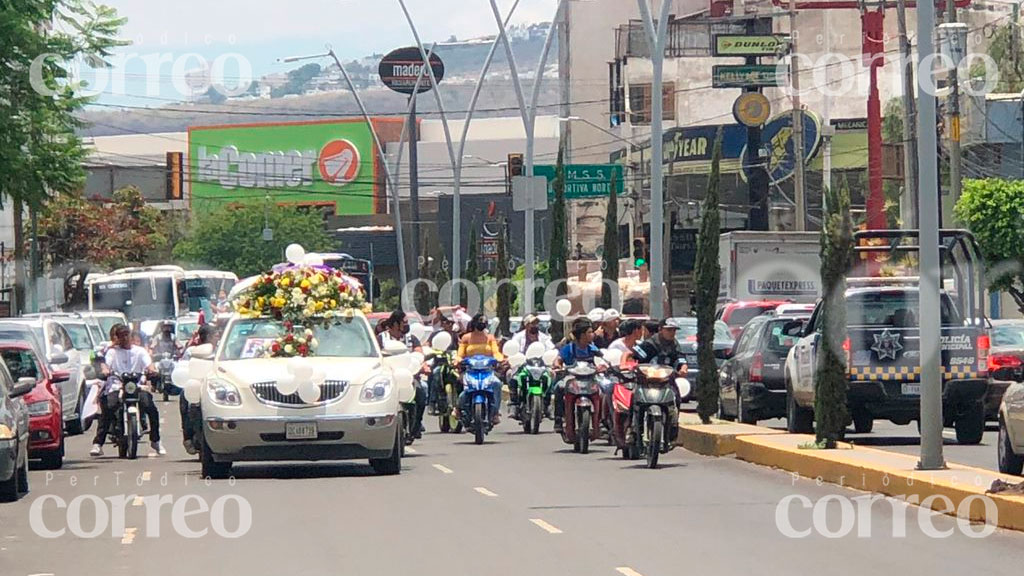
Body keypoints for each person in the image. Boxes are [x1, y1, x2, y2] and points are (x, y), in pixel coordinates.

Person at [90, 324, 166, 457]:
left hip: (137, 386)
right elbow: (105, 364)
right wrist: (106, 371)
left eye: (127, 335)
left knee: (150, 408)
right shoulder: (112, 352)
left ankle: (156, 440)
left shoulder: (140, 351)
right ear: (117, 338)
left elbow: (149, 364)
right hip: (116, 386)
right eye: (122, 336)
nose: (125, 338)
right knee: (108, 408)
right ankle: (98, 443)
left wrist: (152, 370)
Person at [551, 318, 603, 432]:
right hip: (571, 378)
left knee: (603, 391)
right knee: (559, 388)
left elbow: (602, 359)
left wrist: (603, 366)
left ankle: (601, 421)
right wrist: (557, 365)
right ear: (582, 335)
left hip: (590, 379)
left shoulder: (593, 348)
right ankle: (559, 419)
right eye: (589, 332)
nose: (592, 334)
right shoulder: (569, 348)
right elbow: (558, 359)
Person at [456, 313, 505, 425]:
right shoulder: (466, 338)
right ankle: (458, 408)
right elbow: (460, 353)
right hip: (470, 370)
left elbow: (495, 351)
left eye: (484, 322)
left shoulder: (490, 338)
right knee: (463, 386)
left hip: (487, 371)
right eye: (480, 322)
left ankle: (495, 413)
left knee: (497, 384)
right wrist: (458, 359)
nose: (482, 324)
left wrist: (499, 358)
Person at [629, 318, 687, 406]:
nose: (672, 333)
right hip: (647, 381)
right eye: (669, 330)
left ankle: (673, 417)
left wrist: (683, 368)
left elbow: (680, 358)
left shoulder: (674, 344)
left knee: (676, 397)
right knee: (634, 398)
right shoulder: (649, 344)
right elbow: (633, 356)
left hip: (666, 381)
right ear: (660, 330)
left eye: (674, 330)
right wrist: (630, 365)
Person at [180, 324, 216, 455]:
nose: (217, 337)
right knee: (184, 398)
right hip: (196, 385)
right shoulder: (192, 351)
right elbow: (183, 366)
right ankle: (188, 437)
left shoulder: (220, 351)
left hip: (214, 385)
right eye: (214, 335)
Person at [505, 314, 554, 406]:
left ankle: (547, 403)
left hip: (540, 365)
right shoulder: (518, 337)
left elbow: (550, 349)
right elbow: (513, 350)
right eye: (532, 323)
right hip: (522, 365)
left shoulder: (544, 337)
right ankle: (514, 402)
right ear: (526, 325)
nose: (535, 326)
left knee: (552, 374)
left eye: (536, 323)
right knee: (510, 374)